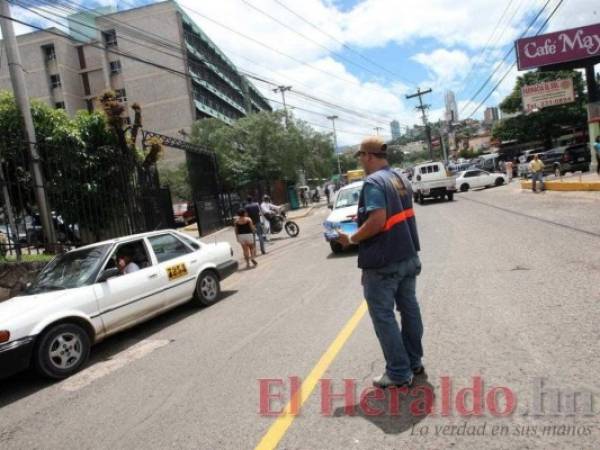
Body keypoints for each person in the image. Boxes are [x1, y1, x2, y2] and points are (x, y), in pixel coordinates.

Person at [336, 136, 423, 389]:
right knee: (409, 310)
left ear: (368, 156)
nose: (361, 161)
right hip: (408, 256)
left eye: (361, 156)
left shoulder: (373, 182)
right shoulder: (400, 178)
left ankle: (398, 372)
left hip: (384, 263)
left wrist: (351, 238)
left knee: (383, 317)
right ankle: (414, 361)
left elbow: (377, 221)